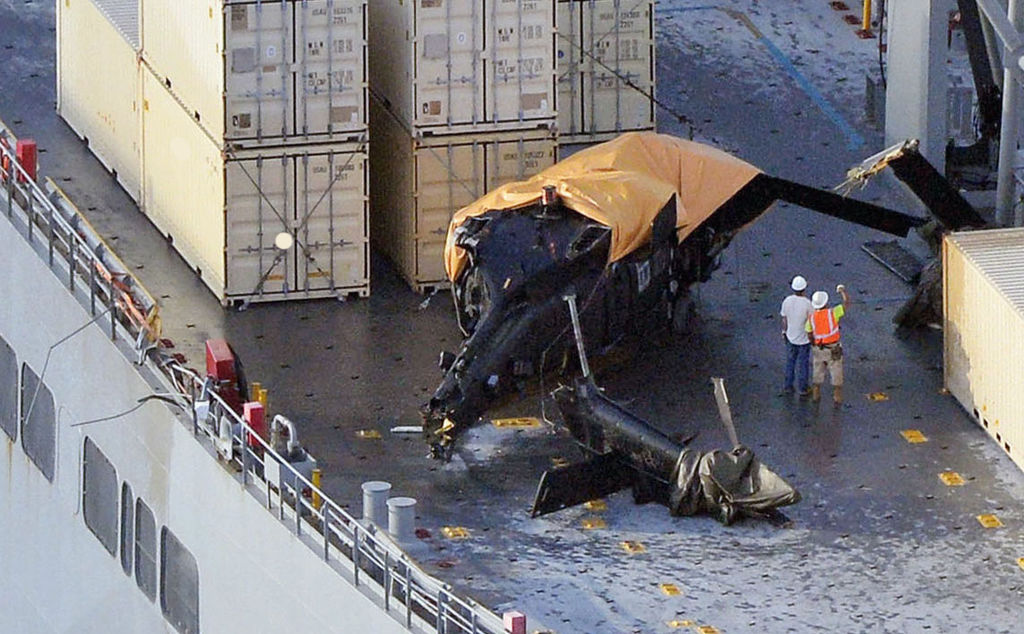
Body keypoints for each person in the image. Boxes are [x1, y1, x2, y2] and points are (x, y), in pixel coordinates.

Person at [806, 284, 850, 407]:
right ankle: (837, 396)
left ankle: (816, 394)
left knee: (817, 371)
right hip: (833, 348)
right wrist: (843, 291)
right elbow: (846, 303)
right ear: (825, 303)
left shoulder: (812, 318)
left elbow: (809, 333)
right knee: (836, 371)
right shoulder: (832, 313)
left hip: (819, 349)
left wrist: (814, 344)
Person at [779, 275, 813, 396]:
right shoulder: (808, 304)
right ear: (804, 289)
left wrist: (784, 332)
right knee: (803, 364)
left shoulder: (787, 301)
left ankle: (788, 386)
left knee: (790, 362)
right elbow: (811, 322)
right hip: (804, 340)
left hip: (790, 337)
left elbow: (784, 319)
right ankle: (803, 388)